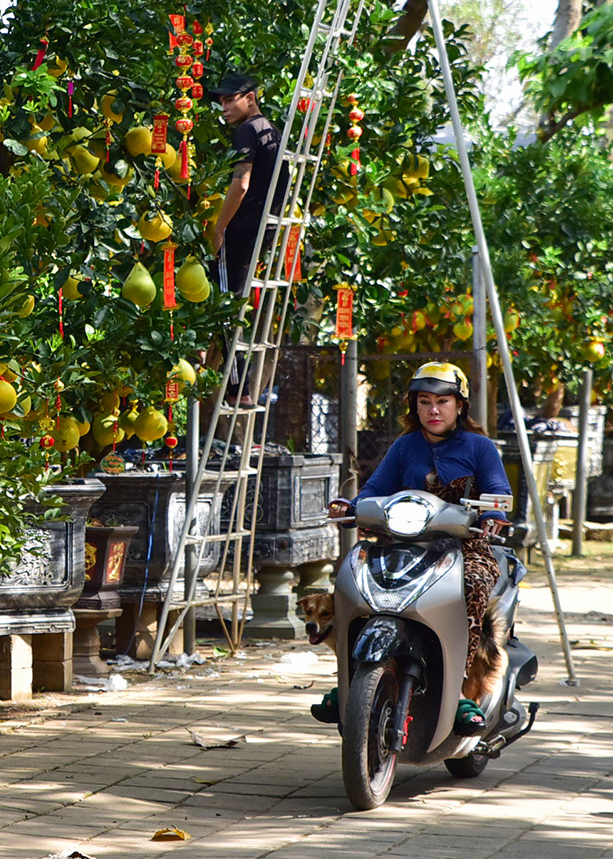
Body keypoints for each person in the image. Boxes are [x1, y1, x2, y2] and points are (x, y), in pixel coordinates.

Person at [314, 361, 515, 733]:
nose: (433, 410)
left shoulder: (480, 447)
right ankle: (349, 682)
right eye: (424, 402)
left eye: (443, 401)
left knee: (471, 585)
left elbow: (498, 491)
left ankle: (458, 692)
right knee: (351, 581)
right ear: (414, 407)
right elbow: (375, 489)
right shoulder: (404, 446)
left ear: (460, 406)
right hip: (400, 545)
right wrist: (353, 507)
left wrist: (492, 512)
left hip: (463, 549)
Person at [207, 73, 289, 298]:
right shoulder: (272, 132)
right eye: (222, 102)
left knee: (221, 299)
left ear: (250, 98)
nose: (224, 107)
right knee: (239, 297)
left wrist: (219, 228)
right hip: (264, 228)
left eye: (230, 100)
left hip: (241, 229)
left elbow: (241, 183)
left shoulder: (247, 130)